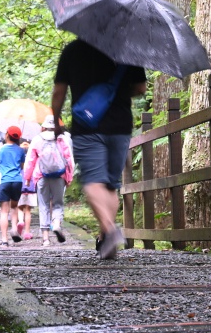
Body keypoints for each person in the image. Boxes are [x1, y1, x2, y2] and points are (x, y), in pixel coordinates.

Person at [51, 38, 147, 260]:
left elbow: (59, 92)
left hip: (87, 125)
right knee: (111, 185)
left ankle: (110, 229)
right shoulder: (127, 48)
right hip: (120, 125)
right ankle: (106, 240)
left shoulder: (73, 50)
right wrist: (117, 91)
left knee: (93, 181)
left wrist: (56, 120)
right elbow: (141, 87)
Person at [24, 114, 75, 246]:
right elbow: (69, 159)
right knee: (57, 203)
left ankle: (45, 239)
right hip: (59, 176)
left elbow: (30, 160)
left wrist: (27, 178)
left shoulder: (37, 139)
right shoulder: (62, 139)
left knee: (44, 205)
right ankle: (56, 224)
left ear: (44, 126)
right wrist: (69, 177)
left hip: (42, 176)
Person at [0, 126, 27, 246]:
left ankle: (4, 240)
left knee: (3, 211)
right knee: (14, 208)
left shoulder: (1, 149)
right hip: (17, 181)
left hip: (4, 181)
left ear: (7, 135)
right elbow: (22, 166)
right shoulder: (21, 150)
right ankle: (14, 230)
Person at [15, 139, 36, 241]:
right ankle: (27, 232)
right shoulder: (33, 159)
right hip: (31, 187)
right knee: (28, 210)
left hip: (20, 185)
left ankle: (20, 221)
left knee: (19, 207)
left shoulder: (18, 158)